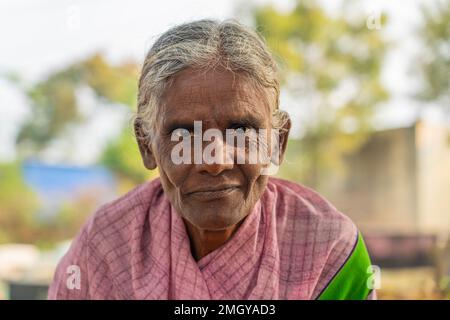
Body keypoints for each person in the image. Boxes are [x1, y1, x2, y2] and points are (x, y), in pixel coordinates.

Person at [48, 19, 376, 300]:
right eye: (185, 136)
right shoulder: (103, 249)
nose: (215, 161)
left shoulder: (329, 251)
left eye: (242, 131)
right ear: (146, 145)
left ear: (277, 143)